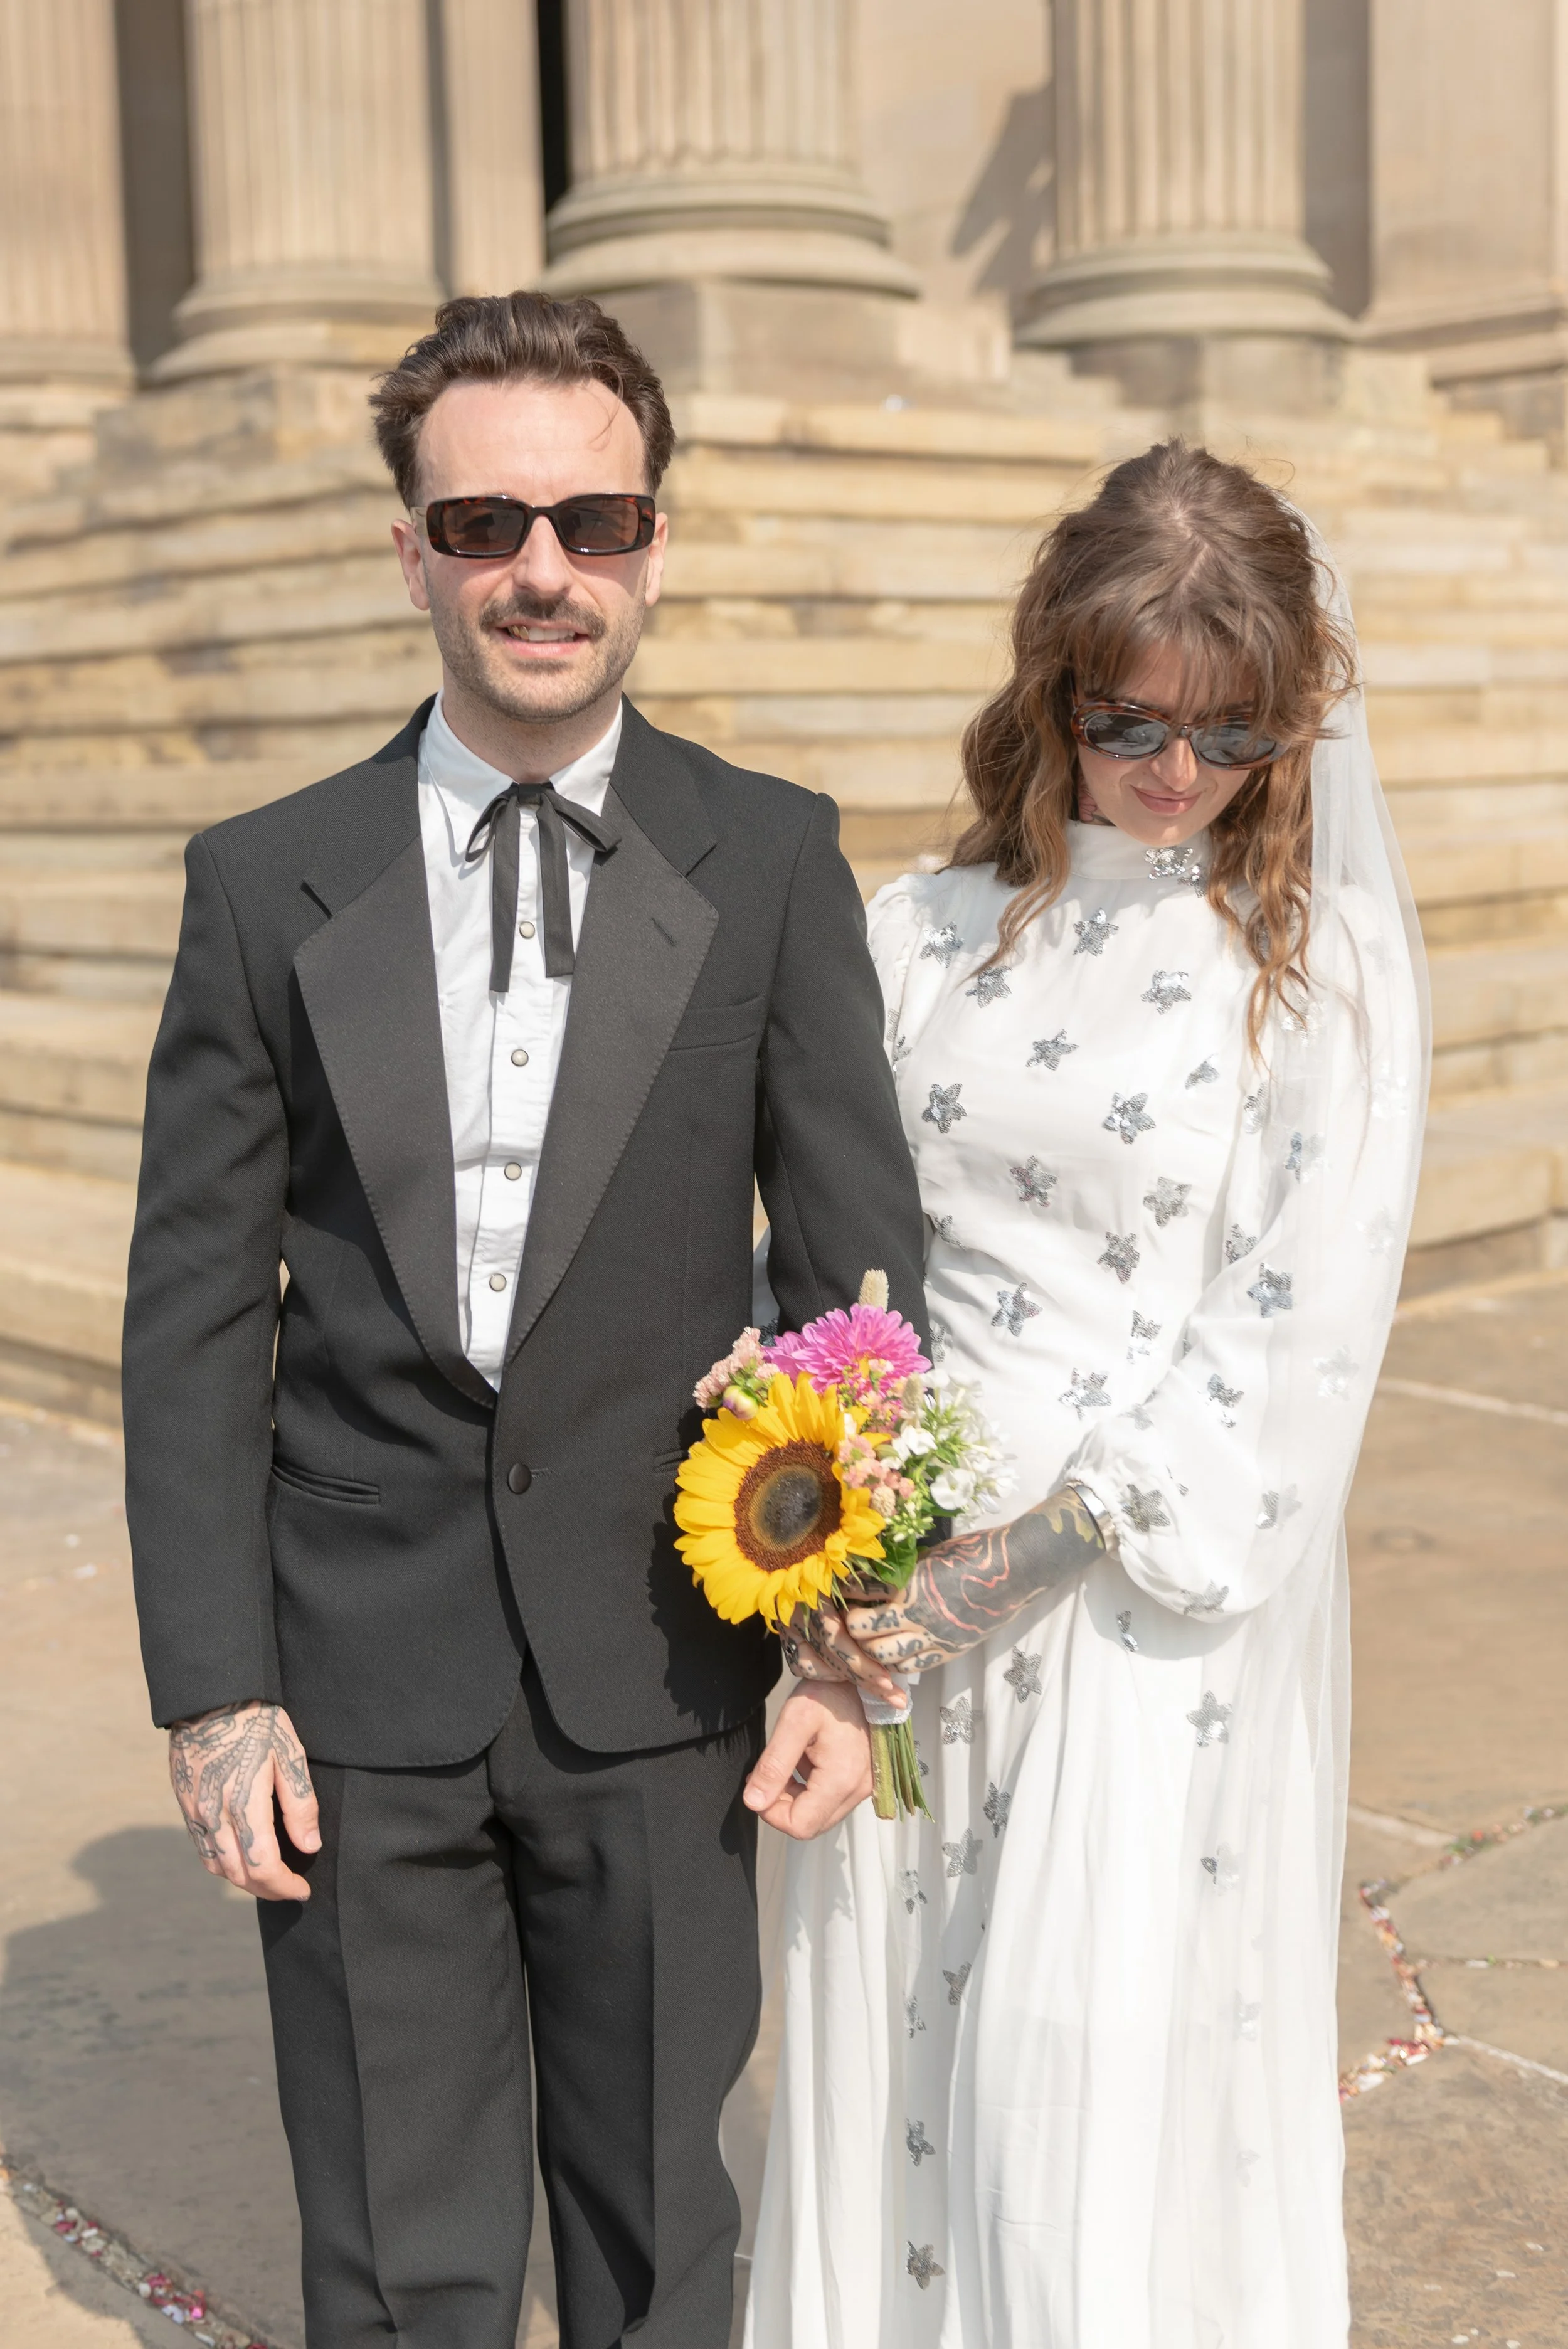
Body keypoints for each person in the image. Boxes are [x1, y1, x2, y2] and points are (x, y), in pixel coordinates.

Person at [121, 289, 927, 2349]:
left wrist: (844, 1650)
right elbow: (198, 1313)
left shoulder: (767, 861)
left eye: (591, 520)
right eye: (483, 523)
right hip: (352, 1679)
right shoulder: (261, 879)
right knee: (402, 2256)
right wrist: (217, 1690)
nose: (541, 571)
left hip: (662, 1672)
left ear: (653, 543)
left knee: (663, 2229)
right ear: (411, 549)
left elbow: (859, 1292)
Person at [744, 442, 1428, 2348]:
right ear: (1049, 687)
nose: (1170, 778)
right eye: (1124, 720)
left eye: (1225, 737)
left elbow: (1287, 1340)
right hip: (887, 1610)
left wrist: (1008, 1565)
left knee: (1071, 2084)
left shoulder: (1321, 976)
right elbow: (832, 1262)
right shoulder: (916, 932)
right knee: (885, 2067)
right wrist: (827, 1563)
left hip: (1131, 1617)